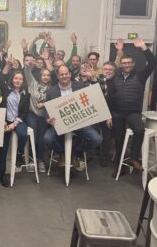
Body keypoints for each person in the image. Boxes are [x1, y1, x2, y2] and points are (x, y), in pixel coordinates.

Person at [107, 38, 156, 177]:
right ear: (121, 65)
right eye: (124, 63)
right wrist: (109, 115)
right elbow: (110, 97)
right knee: (118, 140)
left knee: (139, 130)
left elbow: (152, 63)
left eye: (129, 63)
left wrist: (144, 48)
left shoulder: (140, 75)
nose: (126, 65)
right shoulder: (115, 77)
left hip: (133, 113)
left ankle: (133, 158)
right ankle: (119, 167)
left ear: (133, 64)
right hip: (116, 113)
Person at [44, 65, 102, 170]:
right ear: (57, 76)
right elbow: (47, 111)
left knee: (96, 139)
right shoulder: (51, 91)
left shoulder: (80, 86)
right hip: (59, 124)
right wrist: (48, 120)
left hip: (79, 122)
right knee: (47, 139)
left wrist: (93, 78)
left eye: (66, 73)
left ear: (70, 74)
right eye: (62, 74)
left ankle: (75, 152)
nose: (64, 76)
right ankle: (62, 153)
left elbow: (93, 96)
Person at [0, 56, 30, 187]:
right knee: (3, 148)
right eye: (16, 78)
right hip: (5, 121)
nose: (18, 80)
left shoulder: (26, 94)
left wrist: (15, 123)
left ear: (23, 81)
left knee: (23, 134)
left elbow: (25, 112)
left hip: (17, 121)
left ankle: (20, 153)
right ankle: (2, 174)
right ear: (12, 79)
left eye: (20, 79)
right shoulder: (6, 90)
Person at [24, 63, 50, 173]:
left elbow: (56, 102)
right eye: (43, 75)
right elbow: (26, 72)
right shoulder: (33, 83)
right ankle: (31, 160)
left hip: (43, 116)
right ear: (40, 76)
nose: (46, 77)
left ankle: (40, 161)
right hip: (32, 114)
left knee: (41, 139)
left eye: (48, 75)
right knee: (33, 136)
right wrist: (30, 64)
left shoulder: (52, 89)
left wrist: (45, 104)